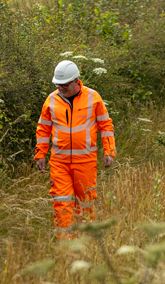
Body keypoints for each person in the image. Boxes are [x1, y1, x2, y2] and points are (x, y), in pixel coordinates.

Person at [34, 59, 116, 238]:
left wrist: (109, 151)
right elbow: (43, 129)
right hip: (59, 163)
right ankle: (66, 244)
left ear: (76, 81)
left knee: (85, 203)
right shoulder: (51, 100)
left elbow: (106, 126)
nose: (61, 89)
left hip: (85, 162)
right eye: (58, 85)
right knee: (61, 203)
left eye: (65, 85)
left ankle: (85, 241)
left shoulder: (93, 97)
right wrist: (40, 154)